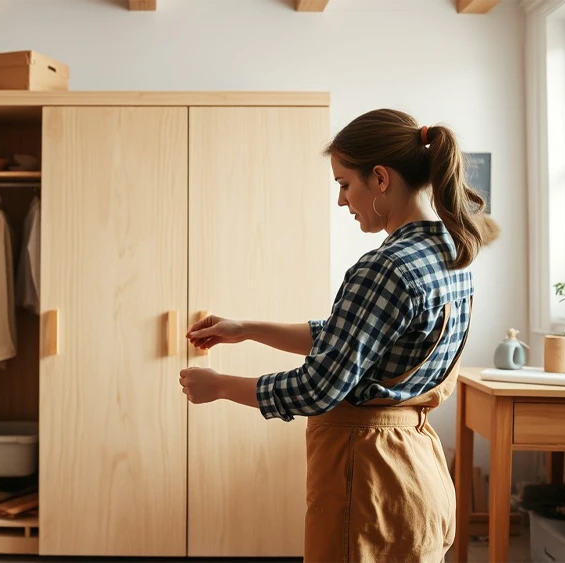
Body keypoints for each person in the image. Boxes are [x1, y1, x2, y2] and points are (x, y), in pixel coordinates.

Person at [178, 108, 499, 563]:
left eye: (345, 184)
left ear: (381, 178)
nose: (342, 201)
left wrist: (221, 387)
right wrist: (247, 329)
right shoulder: (448, 250)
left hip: (367, 478)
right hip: (416, 475)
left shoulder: (384, 267)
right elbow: (352, 341)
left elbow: (319, 387)